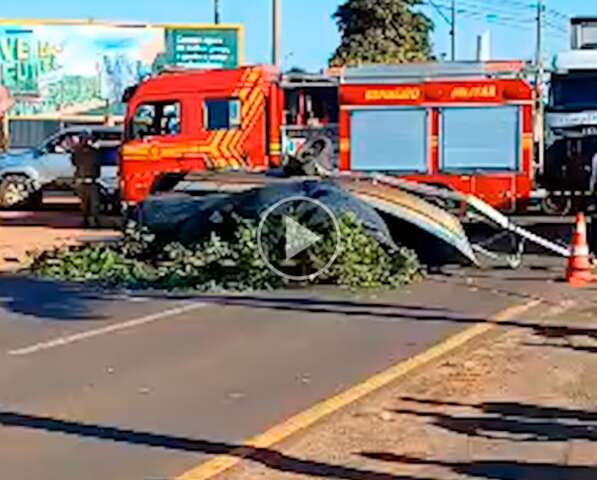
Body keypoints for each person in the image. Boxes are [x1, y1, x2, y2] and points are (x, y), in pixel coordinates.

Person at [72, 133, 101, 228]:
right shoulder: (78, 152)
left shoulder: (93, 152)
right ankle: (87, 220)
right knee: (85, 203)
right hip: (82, 180)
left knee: (93, 203)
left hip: (91, 180)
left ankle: (92, 220)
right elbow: (74, 162)